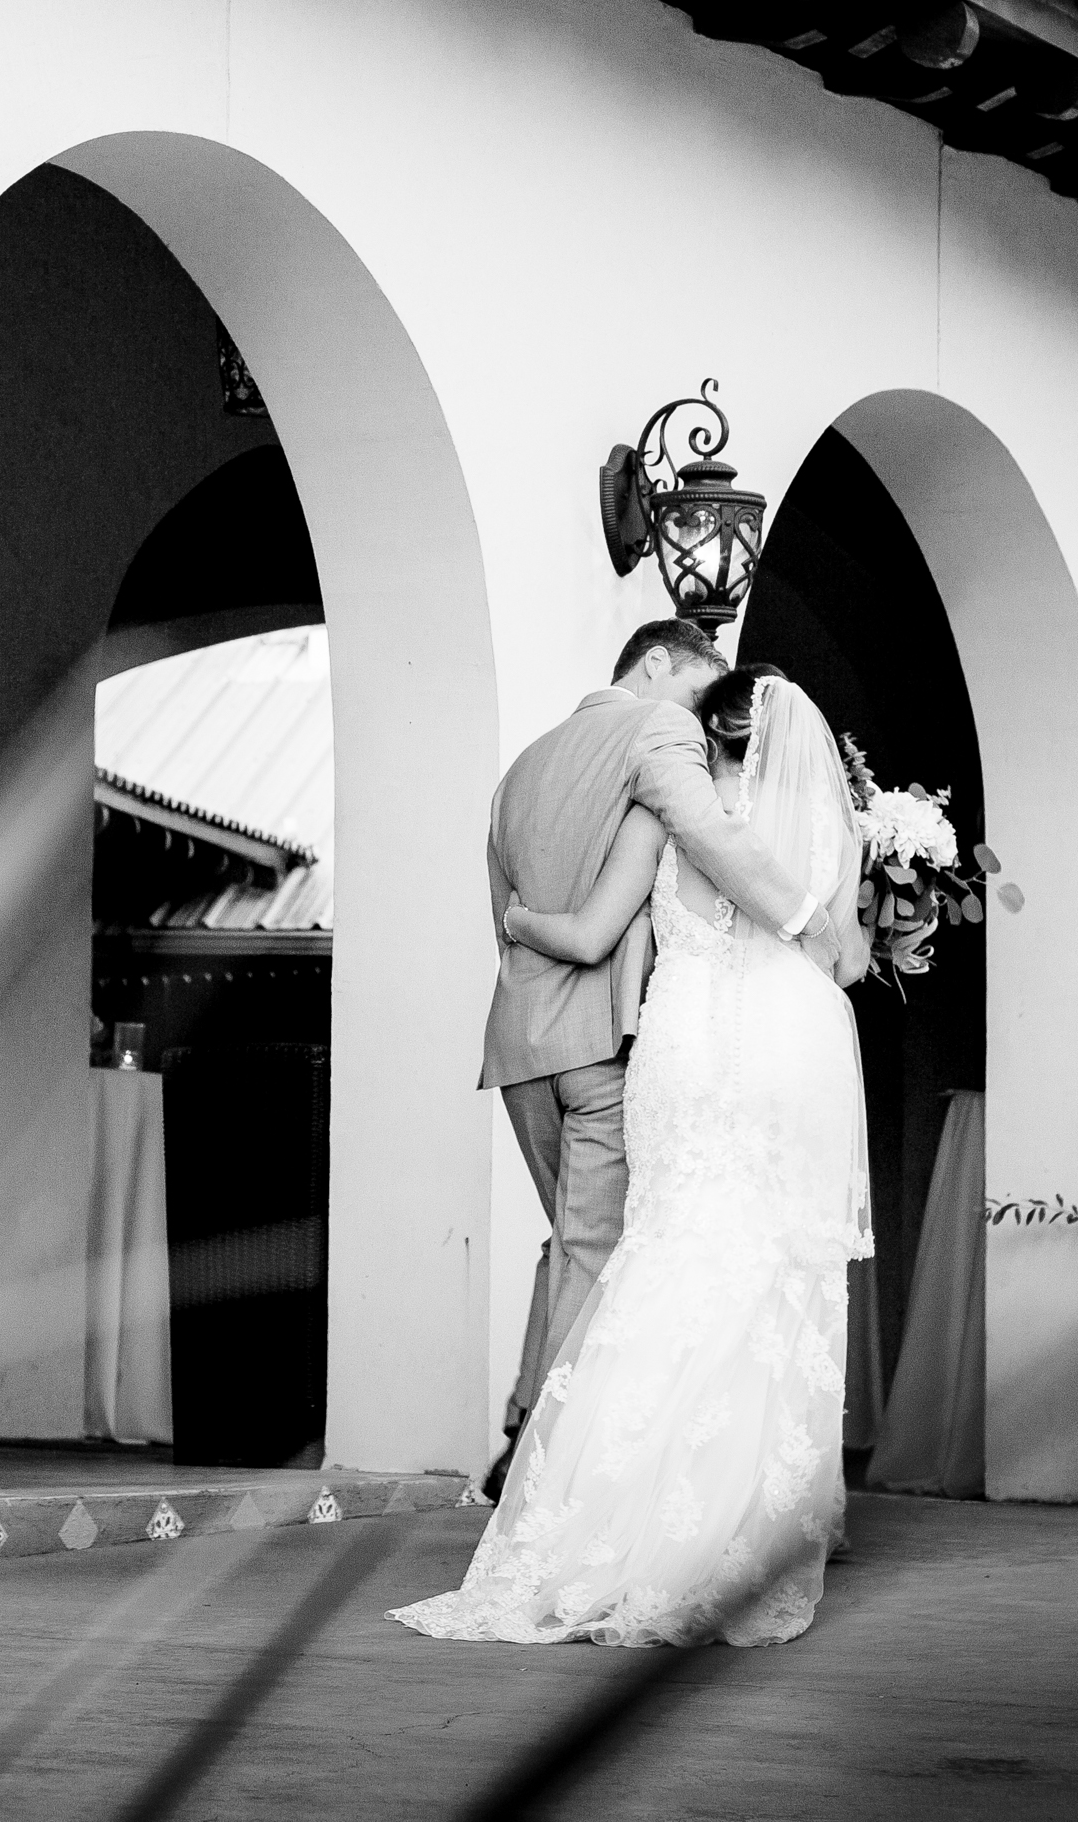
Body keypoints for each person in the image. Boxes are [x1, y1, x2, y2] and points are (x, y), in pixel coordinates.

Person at [395, 664, 873, 1649]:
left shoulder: (662, 818)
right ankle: (745, 1525)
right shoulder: (834, 828)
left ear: (709, 737)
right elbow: (849, 959)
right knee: (777, 1277)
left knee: (658, 1260)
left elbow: (599, 930)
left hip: (681, 1052)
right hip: (791, 1054)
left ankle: (598, 1514)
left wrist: (518, 922)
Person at [467, 621, 804, 1503]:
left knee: (569, 1241)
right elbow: (710, 833)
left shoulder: (520, 769)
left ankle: (521, 1429)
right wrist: (805, 917)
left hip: (521, 1043)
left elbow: (505, 915)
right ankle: (545, 1472)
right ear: (656, 662)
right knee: (593, 1250)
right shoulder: (656, 730)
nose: (701, 718)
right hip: (601, 1043)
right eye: (697, 691)